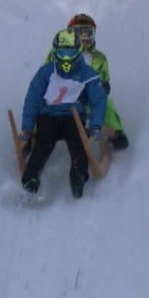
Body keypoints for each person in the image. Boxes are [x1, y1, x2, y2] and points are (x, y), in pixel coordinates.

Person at [18, 28, 108, 198]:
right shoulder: (46, 72)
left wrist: (96, 124)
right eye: (62, 55)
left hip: (74, 117)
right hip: (48, 116)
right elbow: (32, 98)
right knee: (43, 143)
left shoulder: (88, 74)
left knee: (78, 143)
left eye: (70, 55)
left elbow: (99, 100)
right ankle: (32, 176)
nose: (66, 62)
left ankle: (78, 175)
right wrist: (27, 127)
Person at [47, 13, 129, 150]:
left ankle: (115, 132)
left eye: (88, 33)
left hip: (87, 100)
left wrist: (102, 87)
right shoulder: (58, 53)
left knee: (105, 104)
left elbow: (104, 80)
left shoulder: (98, 58)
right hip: (62, 98)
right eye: (79, 33)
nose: (84, 38)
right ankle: (34, 135)